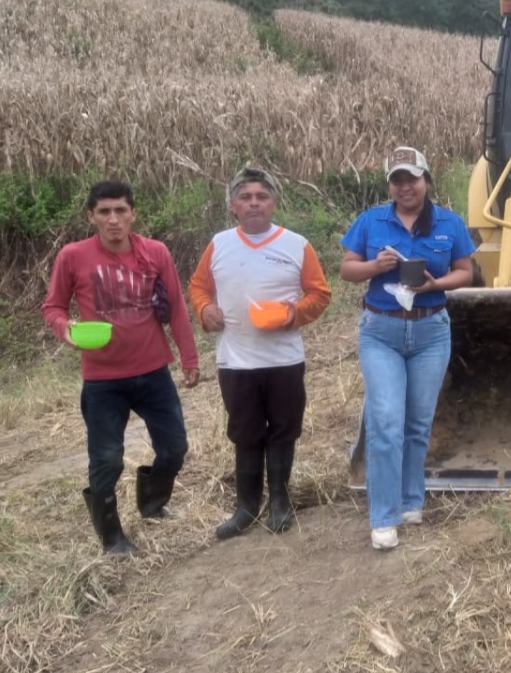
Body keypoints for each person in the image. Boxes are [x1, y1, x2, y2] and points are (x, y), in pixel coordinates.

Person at [42, 181, 200, 555]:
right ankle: (112, 537)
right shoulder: (73, 256)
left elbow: (177, 306)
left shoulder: (155, 252)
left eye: (120, 211)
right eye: (104, 212)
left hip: (153, 371)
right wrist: (66, 329)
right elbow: (53, 307)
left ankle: (153, 503)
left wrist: (190, 358)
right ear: (91, 217)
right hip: (103, 380)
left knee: (175, 447)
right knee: (107, 458)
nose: (113, 219)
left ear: (133, 215)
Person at [340, 147, 475, 550]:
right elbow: (347, 269)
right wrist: (374, 267)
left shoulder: (450, 223)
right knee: (385, 420)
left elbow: (465, 272)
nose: (405, 187)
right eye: (397, 180)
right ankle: (384, 517)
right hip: (381, 332)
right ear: (390, 186)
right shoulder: (371, 221)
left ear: (425, 180)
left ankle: (410, 499)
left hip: (431, 332)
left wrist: (435, 284)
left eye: (411, 178)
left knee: (417, 422)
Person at [189, 168, 332, 539]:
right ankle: (246, 507)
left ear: (273, 203)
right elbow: (198, 287)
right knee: (245, 432)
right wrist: (205, 309)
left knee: (284, 429)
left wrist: (293, 314)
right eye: (246, 197)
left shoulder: (296, 245)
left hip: (284, 358)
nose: (254, 203)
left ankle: (280, 502)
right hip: (235, 359)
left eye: (262, 197)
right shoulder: (219, 245)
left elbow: (320, 294)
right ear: (233, 205)